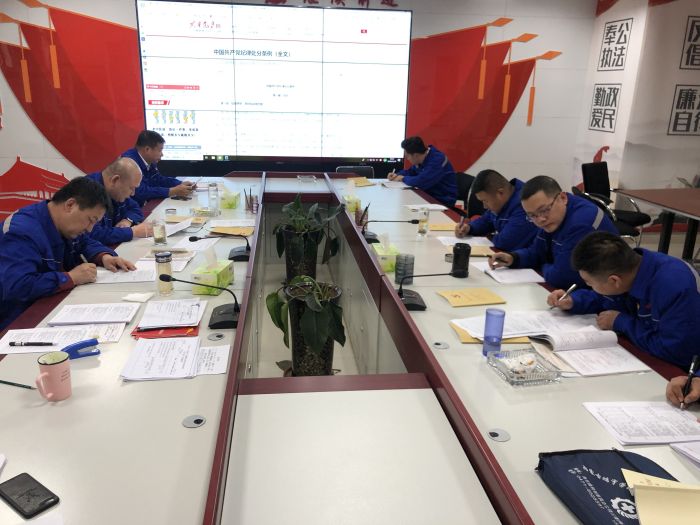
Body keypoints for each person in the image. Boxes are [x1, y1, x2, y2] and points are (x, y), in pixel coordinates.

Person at [547, 231, 700, 369]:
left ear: (614, 280)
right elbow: (605, 297)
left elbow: (677, 352)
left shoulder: (673, 287)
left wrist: (622, 322)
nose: (589, 286)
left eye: (590, 283)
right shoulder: (629, 268)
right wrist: (574, 300)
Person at [0, 177, 136, 330]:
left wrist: (104, 256)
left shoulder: (62, 223)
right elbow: (17, 286)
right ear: (70, 205)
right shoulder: (21, 231)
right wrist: (70, 278)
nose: (90, 228)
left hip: (50, 305)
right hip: (16, 320)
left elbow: (84, 242)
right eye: (90, 220)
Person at [489, 175, 618, 289]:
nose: (540, 220)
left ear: (563, 198)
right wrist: (514, 258)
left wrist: (543, 265)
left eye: (544, 210)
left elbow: (562, 278)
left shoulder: (581, 224)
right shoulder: (552, 218)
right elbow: (537, 251)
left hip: (600, 297)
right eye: (532, 215)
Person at [454, 169, 538, 250]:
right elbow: (487, 220)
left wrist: (489, 237)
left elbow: (506, 243)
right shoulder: (502, 201)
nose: (484, 206)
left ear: (500, 193)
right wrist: (469, 228)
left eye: (485, 201)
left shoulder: (525, 204)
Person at [86, 157, 152, 245]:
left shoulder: (116, 191)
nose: (133, 193)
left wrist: (127, 220)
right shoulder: (88, 192)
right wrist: (133, 232)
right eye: (131, 188)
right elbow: (93, 234)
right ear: (115, 180)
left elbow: (135, 208)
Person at [122, 130, 195, 205]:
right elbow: (140, 192)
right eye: (160, 150)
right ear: (147, 149)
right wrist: (171, 191)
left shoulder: (149, 160)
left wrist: (180, 183)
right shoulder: (129, 164)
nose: (162, 154)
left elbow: (158, 179)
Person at [387, 136, 457, 206]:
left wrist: (402, 178)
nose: (407, 159)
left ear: (415, 155)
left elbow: (420, 182)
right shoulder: (421, 158)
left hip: (442, 201)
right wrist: (397, 175)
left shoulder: (437, 160)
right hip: (426, 196)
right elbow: (411, 172)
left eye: (407, 156)